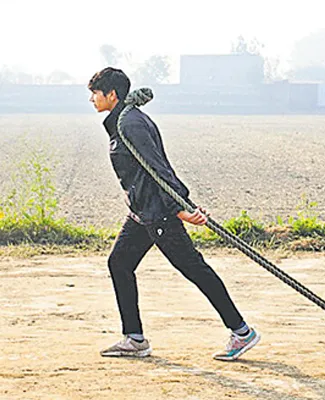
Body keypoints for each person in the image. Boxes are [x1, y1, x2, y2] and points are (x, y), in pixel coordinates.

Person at [87, 67, 260, 360]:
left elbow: (158, 168)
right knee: (119, 263)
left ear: (112, 95)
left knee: (194, 269)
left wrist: (180, 207)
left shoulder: (131, 124)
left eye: (95, 93)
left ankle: (241, 332)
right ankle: (134, 338)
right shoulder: (123, 121)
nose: (91, 99)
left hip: (158, 214)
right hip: (141, 214)